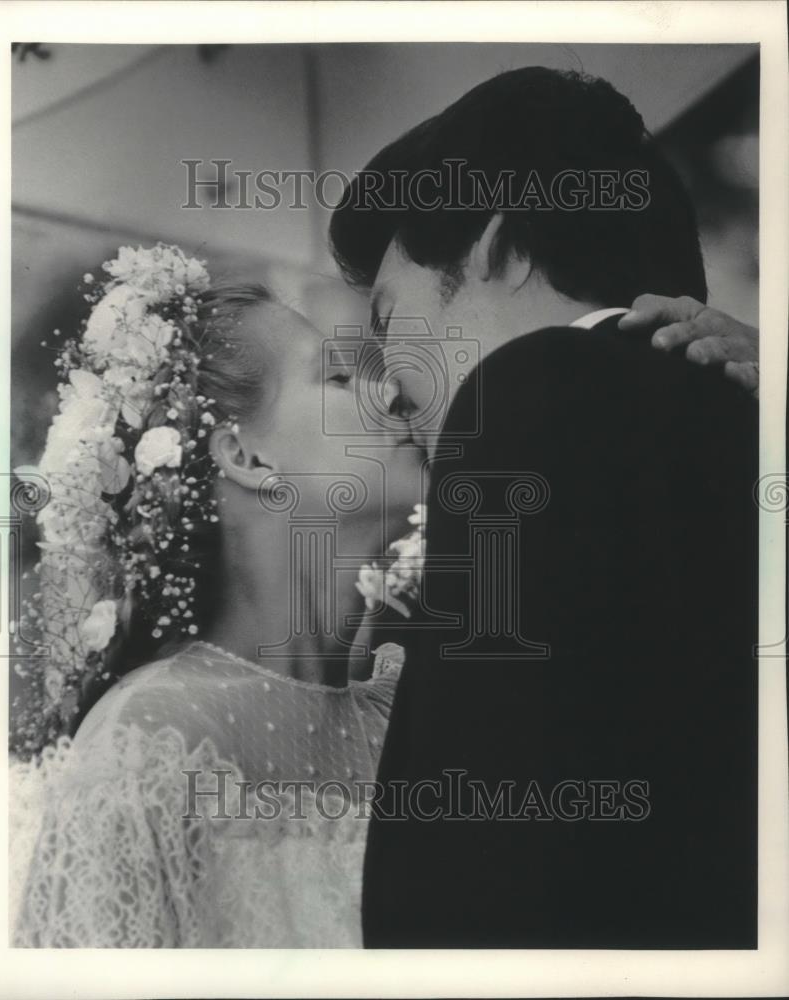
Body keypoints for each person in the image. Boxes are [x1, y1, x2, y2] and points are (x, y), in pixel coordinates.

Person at [329, 67, 759, 948]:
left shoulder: (532, 398)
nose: (387, 391)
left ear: (498, 245)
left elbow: (488, 881)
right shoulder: (740, 414)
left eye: (386, 320)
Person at [11, 247, 425, 947]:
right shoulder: (149, 744)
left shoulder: (410, 710)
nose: (389, 393)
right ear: (247, 458)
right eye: (337, 375)